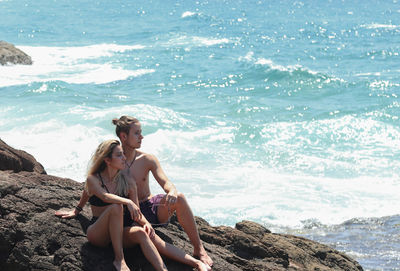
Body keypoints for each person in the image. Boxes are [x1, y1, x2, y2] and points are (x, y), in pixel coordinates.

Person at [55, 140, 210, 271]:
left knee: (145, 233)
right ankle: (119, 259)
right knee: (116, 207)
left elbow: (137, 212)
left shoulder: (128, 181)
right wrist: (77, 210)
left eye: (123, 153)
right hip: (99, 233)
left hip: (122, 232)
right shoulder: (93, 179)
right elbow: (100, 195)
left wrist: (146, 224)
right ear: (107, 160)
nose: (124, 158)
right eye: (119, 155)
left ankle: (194, 263)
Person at [113, 116, 213, 267]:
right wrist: (77, 209)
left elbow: (166, 182)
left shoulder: (147, 159)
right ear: (123, 136)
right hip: (130, 214)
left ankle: (199, 249)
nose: (142, 136)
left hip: (151, 208)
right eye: (137, 133)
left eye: (141, 132)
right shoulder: (113, 161)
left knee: (179, 197)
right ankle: (193, 263)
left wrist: (172, 192)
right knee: (146, 235)